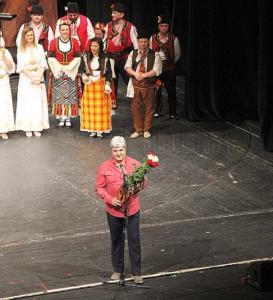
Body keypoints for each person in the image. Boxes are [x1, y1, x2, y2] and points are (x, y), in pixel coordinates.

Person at [95, 136, 145, 284]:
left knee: (134, 241)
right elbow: (99, 188)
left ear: (125, 150)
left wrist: (135, 188)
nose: (118, 153)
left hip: (132, 210)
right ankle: (118, 270)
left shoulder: (135, 164)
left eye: (121, 150)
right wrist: (111, 199)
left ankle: (136, 273)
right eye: (115, 150)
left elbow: (144, 182)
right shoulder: (104, 167)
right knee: (116, 240)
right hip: (114, 211)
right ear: (112, 151)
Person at [125, 30, 162, 139]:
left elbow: (157, 70)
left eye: (145, 42)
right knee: (136, 108)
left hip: (149, 85)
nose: (143, 44)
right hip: (136, 85)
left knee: (149, 108)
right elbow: (127, 67)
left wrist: (144, 75)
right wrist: (136, 74)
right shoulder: (133, 53)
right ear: (137, 42)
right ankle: (138, 129)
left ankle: (146, 129)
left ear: (148, 42)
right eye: (141, 42)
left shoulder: (155, 54)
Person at [16, 27, 49, 137]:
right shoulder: (21, 49)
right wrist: (32, 77)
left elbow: (43, 64)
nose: (30, 37)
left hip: (38, 77)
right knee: (27, 102)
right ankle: (28, 127)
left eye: (31, 35)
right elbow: (21, 66)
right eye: (27, 35)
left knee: (37, 102)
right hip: (27, 79)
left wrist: (38, 77)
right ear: (24, 37)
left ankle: (37, 126)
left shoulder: (39, 47)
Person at [47, 22, 81, 128]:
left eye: (67, 30)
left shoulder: (75, 42)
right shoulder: (53, 42)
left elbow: (77, 57)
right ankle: (61, 116)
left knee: (70, 96)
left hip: (71, 72)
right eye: (63, 30)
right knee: (59, 96)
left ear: (69, 30)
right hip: (58, 72)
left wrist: (69, 68)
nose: (65, 32)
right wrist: (60, 69)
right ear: (60, 31)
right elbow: (51, 58)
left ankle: (68, 117)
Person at [80, 37, 113, 139]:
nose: (93, 48)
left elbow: (109, 73)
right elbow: (81, 69)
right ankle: (92, 130)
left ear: (100, 47)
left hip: (100, 84)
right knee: (90, 108)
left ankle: (99, 130)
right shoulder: (86, 56)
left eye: (95, 46)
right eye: (92, 45)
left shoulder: (105, 58)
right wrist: (85, 77)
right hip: (90, 84)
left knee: (100, 108)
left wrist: (107, 84)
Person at [151, 15, 181, 119]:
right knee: (156, 91)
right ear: (158, 27)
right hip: (157, 70)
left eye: (166, 26)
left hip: (169, 69)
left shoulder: (174, 39)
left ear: (168, 27)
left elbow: (177, 55)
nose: (163, 28)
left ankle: (173, 112)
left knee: (171, 91)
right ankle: (157, 110)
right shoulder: (153, 38)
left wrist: (168, 63)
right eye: (162, 26)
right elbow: (150, 53)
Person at [105, 3, 137, 98]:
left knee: (129, 80)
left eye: (115, 13)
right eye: (112, 13)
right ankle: (112, 104)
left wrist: (136, 60)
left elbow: (136, 45)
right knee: (112, 81)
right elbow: (104, 42)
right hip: (111, 57)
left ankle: (135, 102)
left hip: (124, 58)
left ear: (122, 15)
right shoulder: (109, 25)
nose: (112, 15)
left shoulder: (130, 27)